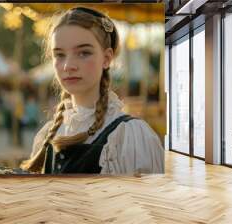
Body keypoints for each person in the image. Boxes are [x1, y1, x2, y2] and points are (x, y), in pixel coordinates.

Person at [20, 7, 164, 175]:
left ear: (106, 58)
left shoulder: (129, 137)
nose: (68, 66)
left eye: (83, 53)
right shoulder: (47, 134)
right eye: (59, 55)